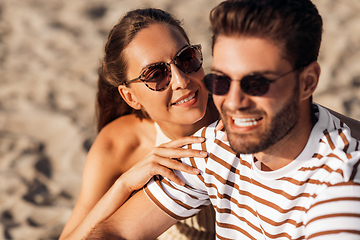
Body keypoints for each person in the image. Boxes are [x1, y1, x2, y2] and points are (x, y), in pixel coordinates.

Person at [84, 0, 360, 239]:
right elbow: (114, 232)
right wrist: (124, 185)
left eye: (257, 83)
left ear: (307, 83)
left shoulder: (338, 189)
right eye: (223, 79)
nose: (233, 102)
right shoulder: (215, 144)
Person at [59, 8, 218, 240]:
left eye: (186, 58)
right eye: (155, 75)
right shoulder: (121, 144)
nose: (181, 80)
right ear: (130, 97)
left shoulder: (237, 109)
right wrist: (123, 186)